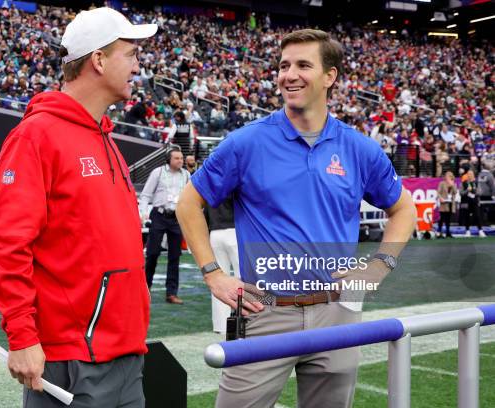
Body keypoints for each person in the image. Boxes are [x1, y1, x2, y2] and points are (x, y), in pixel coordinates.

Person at [176, 29, 416, 408]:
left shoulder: (358, 148)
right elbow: (187, 204)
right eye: (284, 65)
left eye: (304, 65)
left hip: (337, 311)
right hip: (264, 312)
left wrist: (379, 266)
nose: (290, 74)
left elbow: (404, 209)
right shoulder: (247, 142)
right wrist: (213, 274)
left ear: (330, 76)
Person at [0, 8, 157, 408]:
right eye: (131, 54)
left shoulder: (107, 139)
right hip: (72, 357)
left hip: (126, 353)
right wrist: (23, 337)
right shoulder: (36, 136)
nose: (138, 66)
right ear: (98, 59)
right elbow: (8, 245)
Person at [139, 146, 190, 304]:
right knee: (153, 253)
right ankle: (145, 289)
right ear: (169, 160)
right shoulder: (158, 172)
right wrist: (142, 213)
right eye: (177, 158)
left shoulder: (187, 175)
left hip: (176, 217)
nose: (180, 161)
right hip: (159, 215)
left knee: (175, 256)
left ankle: (171, 293)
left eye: (181, 158)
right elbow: (146, 194)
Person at [204, 196, 238, 333]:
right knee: (244, 280)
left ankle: (220, 326)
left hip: (215, 233)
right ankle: (246, 321)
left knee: (217, 282)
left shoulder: (210, 182)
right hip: (235, 231)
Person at [460, 170, 486, 237]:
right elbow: (461, 193)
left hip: (475, 202)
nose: (470, 175)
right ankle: (467, 231)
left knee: (477, 216)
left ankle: (480, 230)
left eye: (471, 174)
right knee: (467, 216)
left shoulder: (477, 183)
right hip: (466, 202)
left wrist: (475, 191)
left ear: (473, 175)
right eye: (468, 174)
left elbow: (480, 192)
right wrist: (467, 191)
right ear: (467, 175)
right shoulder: (463, 183)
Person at [436, 171, 458, 238]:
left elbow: (455, 192)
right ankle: (439, 232)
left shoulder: (454, 184)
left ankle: (448, 232)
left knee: (448, 218)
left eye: (449, 177)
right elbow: (438, 192)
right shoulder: (442, 183)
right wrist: (440, 198)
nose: (448, 178)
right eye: (447, 176)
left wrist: (452, 185)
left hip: (450, 203)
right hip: (443, 203)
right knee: (442, 218)